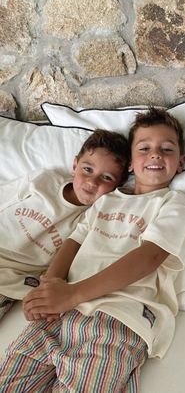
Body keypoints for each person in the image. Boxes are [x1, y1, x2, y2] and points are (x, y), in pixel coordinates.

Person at [0, 108, 185, 392]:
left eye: (166, 149)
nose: (155, 155)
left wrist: (73, 293)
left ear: (181, 163)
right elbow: (73, 242)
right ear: (130, 163)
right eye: (144, 148)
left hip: (117, 318)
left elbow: (151, 255)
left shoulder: (175, 204)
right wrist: (49, 287)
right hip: (61, 311)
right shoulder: (106, 201)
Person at [0, 129, 129, 320]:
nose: (92, 181)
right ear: (75, 165)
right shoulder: (44, 181)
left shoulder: (92, 218)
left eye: (106, 177)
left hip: (13, 278)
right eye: (87, 169)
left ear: (116, 186)